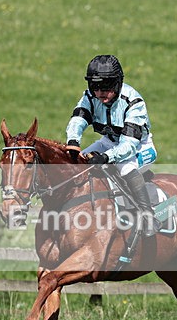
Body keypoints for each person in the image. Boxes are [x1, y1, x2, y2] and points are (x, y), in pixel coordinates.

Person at [65, 55, 159, 236]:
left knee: (123, 167)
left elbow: (129, 146)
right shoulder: (89, 97)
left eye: (107, 86)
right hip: (108, 142)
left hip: (139, 147)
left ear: (118, 83)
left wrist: (106, 157)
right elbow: (78, 119)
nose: (101, 92)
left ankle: (148, 216)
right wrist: (73, 142)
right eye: (96, 86)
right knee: (75, 165)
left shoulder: (133, 102)